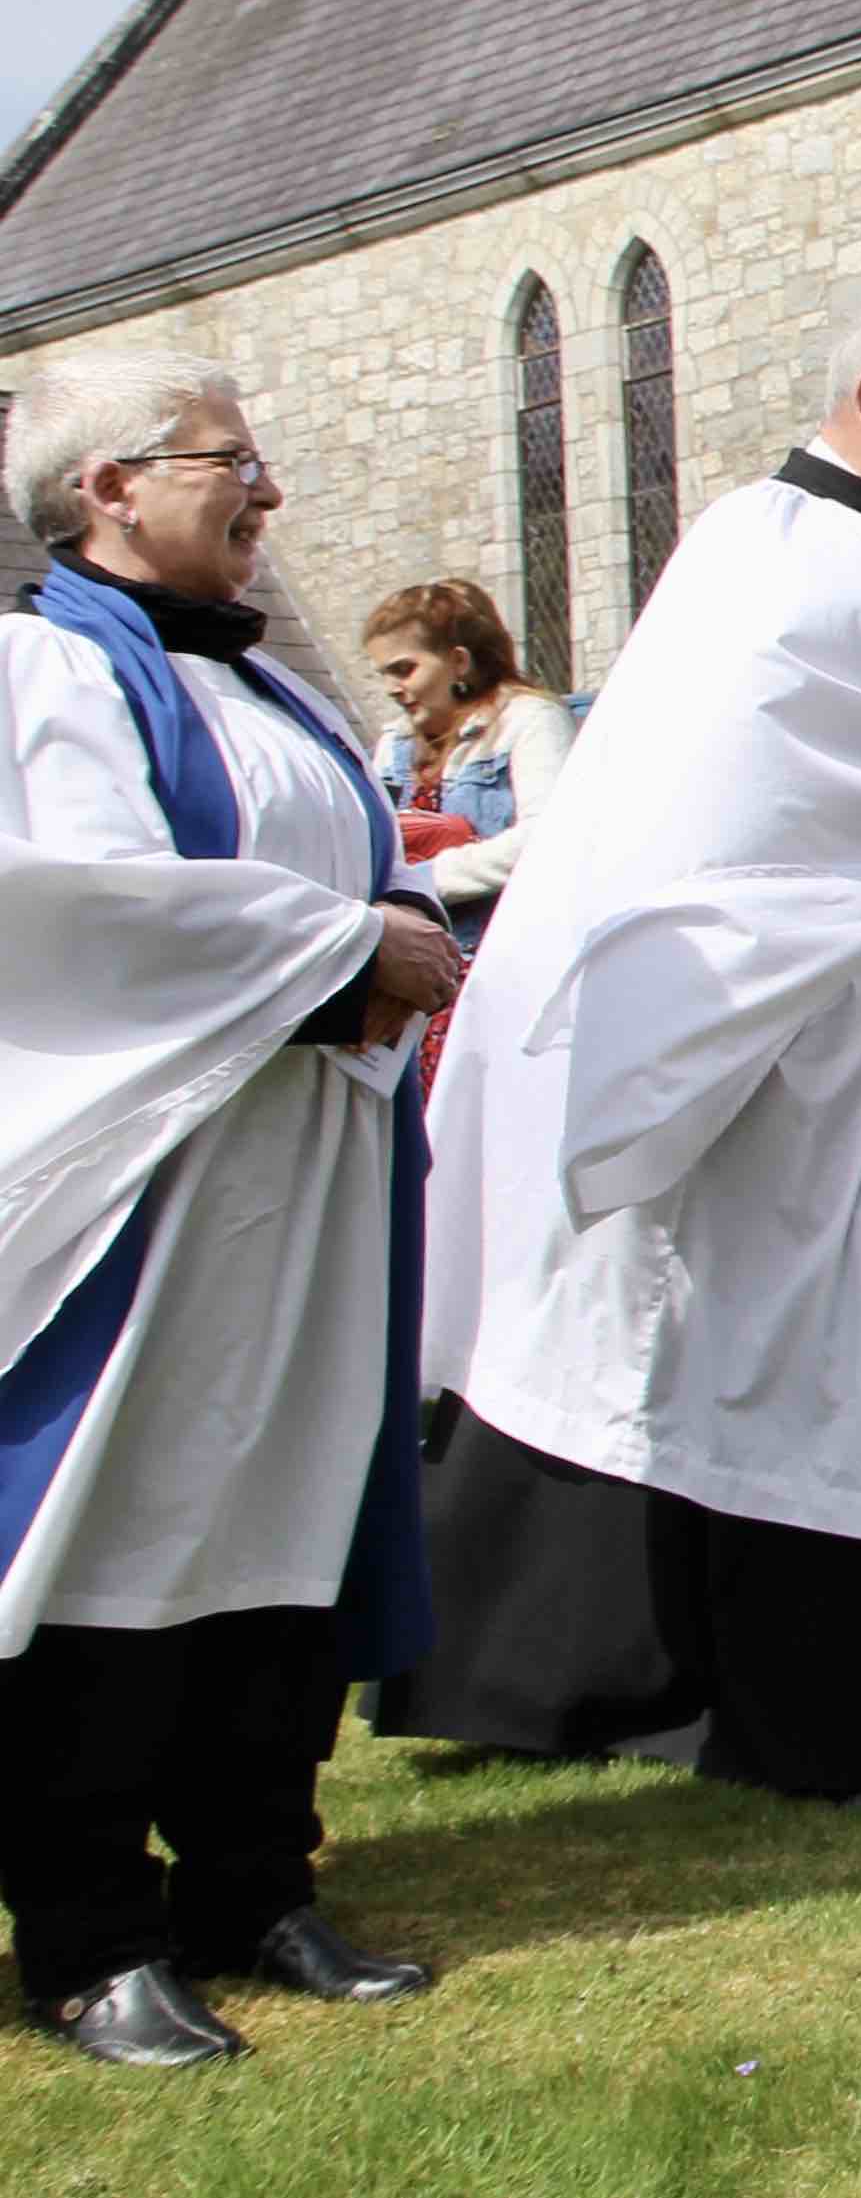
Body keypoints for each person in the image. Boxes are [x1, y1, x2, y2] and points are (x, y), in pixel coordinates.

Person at [379, 292, 861, 1807]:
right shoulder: (771, 558)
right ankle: (736, 1696)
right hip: (799, 1044)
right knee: (795, 1341)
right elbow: (794, 790)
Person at [1, 350, 447, 2066]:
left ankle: (254, 1879)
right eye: (228, 463)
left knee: (281, 1512)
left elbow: (353, 862)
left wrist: (383, 923)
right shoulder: (43, 667)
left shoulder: (264, 689)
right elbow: (83, 906)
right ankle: (91, 1928)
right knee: (136, 1521)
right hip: (158, 1181)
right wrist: (353, 950)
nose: (264, 492)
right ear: (108, 485)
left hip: (305, 1163)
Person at [359, 578, 578, 945]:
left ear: (459, 661)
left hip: (506, 954)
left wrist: (423, 882)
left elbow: (549, 838)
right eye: (383, 674)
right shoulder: (394, 744)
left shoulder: (529, 721)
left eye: (404, 670)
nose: (391, 689)